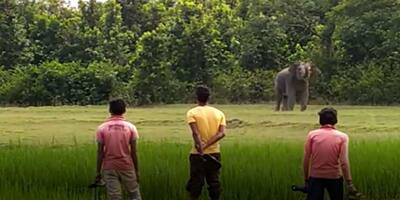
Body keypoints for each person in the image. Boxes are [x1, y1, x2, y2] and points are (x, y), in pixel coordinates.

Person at [303, 107, 361, 200]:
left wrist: (306, 180)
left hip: (315, 177)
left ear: (320, 120)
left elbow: (306, 159)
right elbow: (344, 162)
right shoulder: (342, 137)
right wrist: (349, 183)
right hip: (335, 177)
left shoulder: (312, 135)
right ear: (335, 120)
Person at [95, 99, 141, 200]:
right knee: (134, 194)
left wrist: (98, 172)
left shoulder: (102, 128)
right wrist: (136, 170)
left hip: (109, 166)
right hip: (127, 165)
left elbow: (100, 153)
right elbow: (134, 152)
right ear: (124, 110)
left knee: (114, 196)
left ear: (110, 110)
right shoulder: (131, 127)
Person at [186, 85, 227, 200]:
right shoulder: (219, 113)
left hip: (197, 154)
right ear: (209, 98)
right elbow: (221, 133)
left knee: (195, 184)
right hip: (214, 153)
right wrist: (207, 145)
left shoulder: (192, 112)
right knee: (214, 183)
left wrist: (201, 148)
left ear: (196, 97)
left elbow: (195, 133)